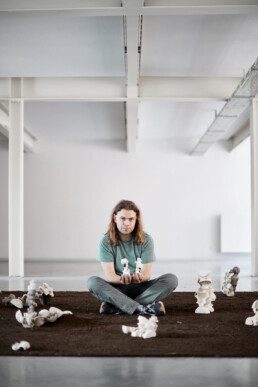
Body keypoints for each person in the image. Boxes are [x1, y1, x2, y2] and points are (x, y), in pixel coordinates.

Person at [87, 200, 178, 316]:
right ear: (115, 218)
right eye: (122, 218)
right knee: (92, 282)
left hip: (141, 288)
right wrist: (121, 279)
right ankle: (142, 308)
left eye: (131, 219)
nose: (127, 223)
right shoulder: (106, 241)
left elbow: (146, 274)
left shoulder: (146, 240)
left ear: (136, 220)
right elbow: (110, 275)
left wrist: (139, 278)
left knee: (171, 279)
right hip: (117, 288)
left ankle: (119, 307)